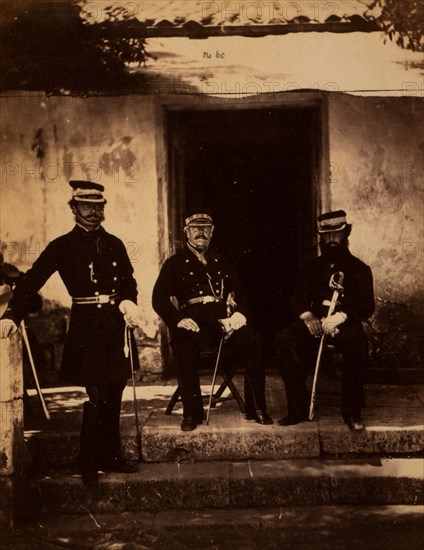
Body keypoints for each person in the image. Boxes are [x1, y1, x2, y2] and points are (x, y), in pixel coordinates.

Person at [0, 181, 140, 486]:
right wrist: (12, 314)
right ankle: (88, 459)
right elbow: (31, 282)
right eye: (86, 206)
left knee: (114, 390)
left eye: (98, 206)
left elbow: (129, 281)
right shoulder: (61, 246)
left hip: (115, 326)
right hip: (87, 327)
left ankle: (111, 455)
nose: (94, 213)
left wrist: (130, 302)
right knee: (95, 394)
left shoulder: (114, 243)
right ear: (73, 209)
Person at [152, 207, 273, 431]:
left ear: (212, 231)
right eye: (196, 228)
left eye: (205, 228)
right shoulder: (174, 263)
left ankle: (257, 408)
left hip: (222, 322)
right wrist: (177, 319)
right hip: (194, 322)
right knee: (183, 342)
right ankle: (192, 413)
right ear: (186, 231)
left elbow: (240, 293)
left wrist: (238, 315)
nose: (201, 232)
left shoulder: (221, 261)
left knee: (254, 340)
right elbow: (158, 299)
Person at [274, 210, 374, 430]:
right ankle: (297, 408)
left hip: (343, 325)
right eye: (325, 236)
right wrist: (308, 317)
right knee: (284, 339)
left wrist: (342, 316)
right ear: (320, 237)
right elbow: (296, 299)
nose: (330, 241)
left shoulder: (359, 270)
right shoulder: (310, 268)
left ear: (346, 233)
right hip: (316, 324)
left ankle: (352, 412)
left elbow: (367, 306)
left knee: (357, 343)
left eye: (335, 234)